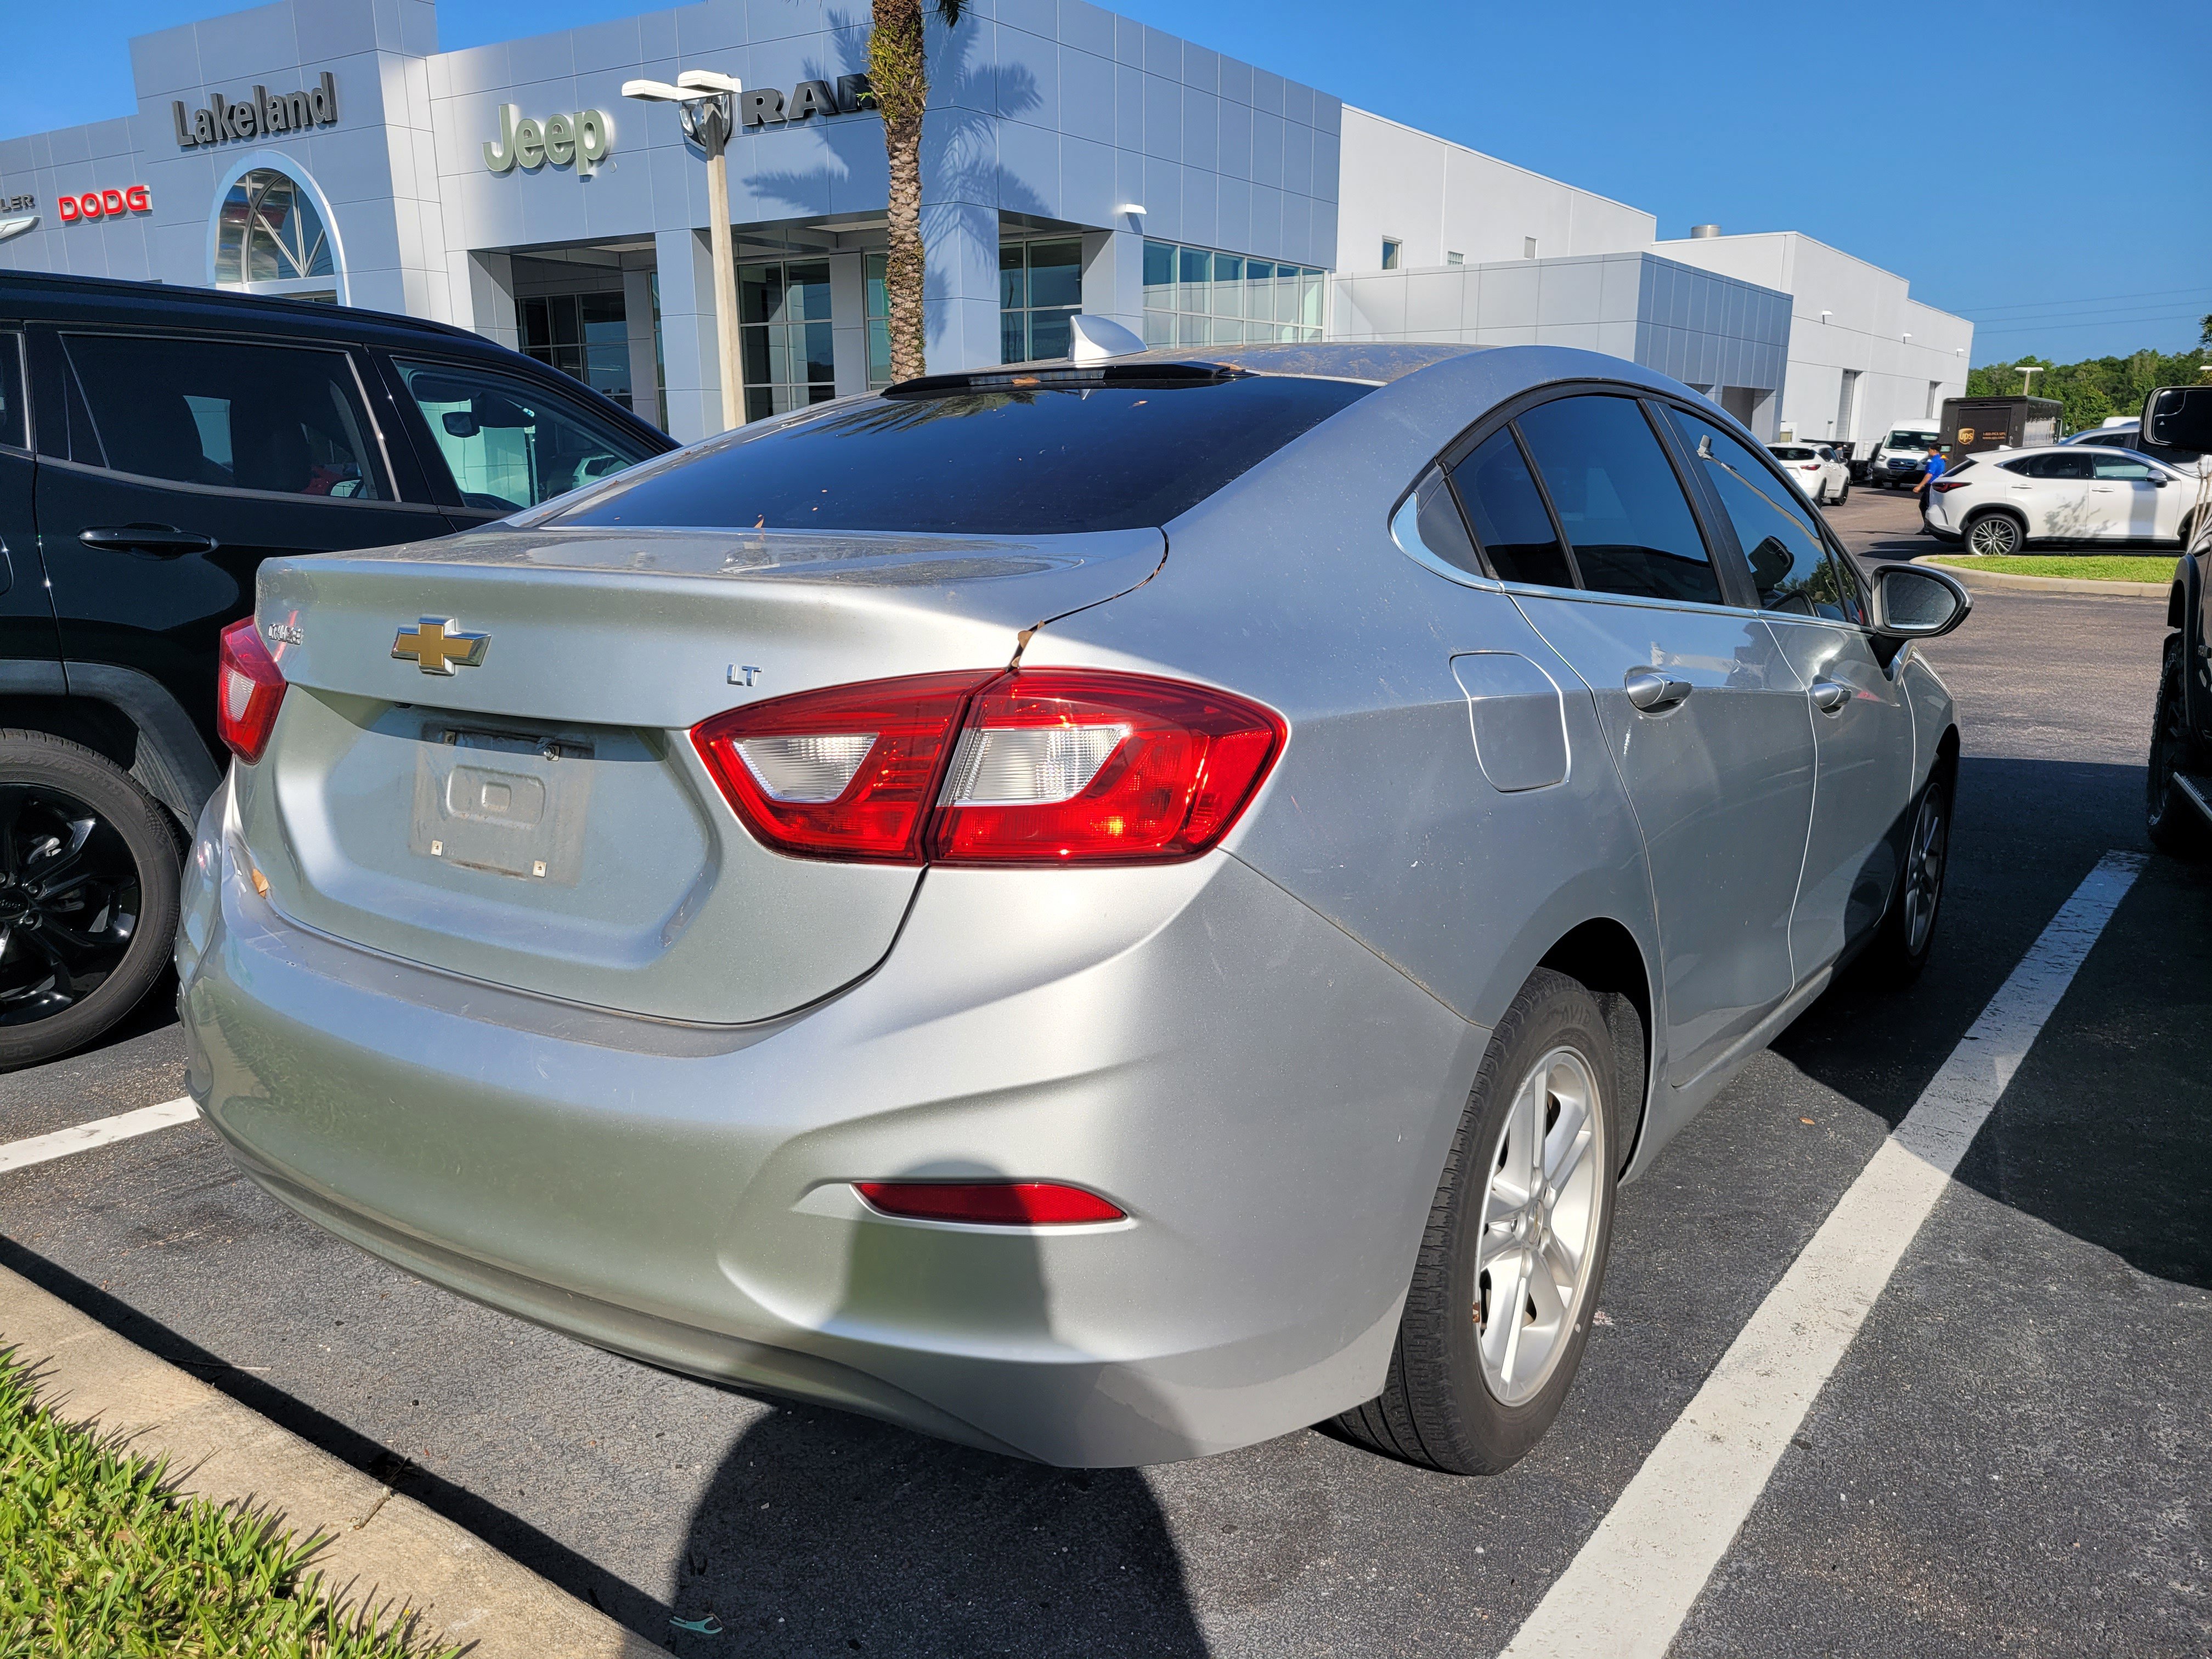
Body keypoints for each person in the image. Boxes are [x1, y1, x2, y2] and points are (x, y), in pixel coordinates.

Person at [1912, 443, 1948, 532]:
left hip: (1931, 486)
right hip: (1936, 484)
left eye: (1929, 449)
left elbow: (1929, 475)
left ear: (1933, 451)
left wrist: (1919, 486)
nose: (1928, 451)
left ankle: (1929, 528)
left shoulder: (1933, 461)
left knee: (1926, 506)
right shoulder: (1941, 459)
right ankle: (1928, 527)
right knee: (1924, 505)